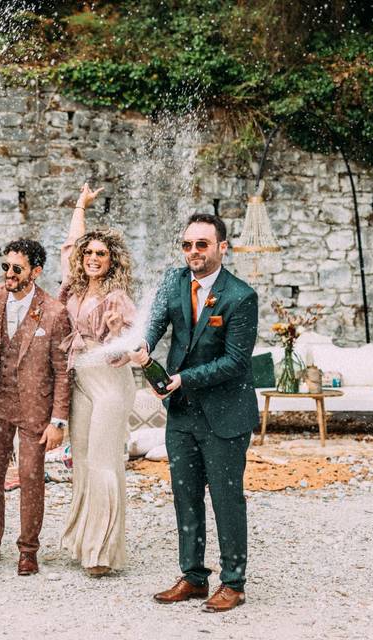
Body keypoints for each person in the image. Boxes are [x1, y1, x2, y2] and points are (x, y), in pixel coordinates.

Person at [131, 212, 258, 613]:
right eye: (187, 244)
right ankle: (194, 577)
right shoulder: (173, 281)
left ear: (222, 247)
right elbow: (155, 322)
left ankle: (233, 583)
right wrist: (143, 348)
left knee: (226, 499)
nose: (193, 252)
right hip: (182, 413)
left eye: (201, 244)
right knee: (185, 498)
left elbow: (236, 362)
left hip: (226, 416)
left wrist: (183, 377)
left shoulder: (241, 296)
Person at [0, 239, 71, 576]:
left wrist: (58, 420)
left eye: (17, 268)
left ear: (36, 271)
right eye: (5, 267)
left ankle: (28, 550)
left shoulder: (55, 312)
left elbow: (62, 370)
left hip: (35, 408)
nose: (9, 274)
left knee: (30, 477)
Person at [58, 184, 137, 577]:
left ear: (111, 261)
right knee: (84, 461)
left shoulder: (116, 296)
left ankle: (103, 551)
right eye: (89, 253)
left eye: (100, 254)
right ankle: (83, 542)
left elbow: (133, 341)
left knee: (105, 461)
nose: (92, 258)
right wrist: (80, 206)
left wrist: (116, 337)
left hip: (109, 381)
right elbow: (69, 246)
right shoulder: (72, 288)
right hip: (80, 380)